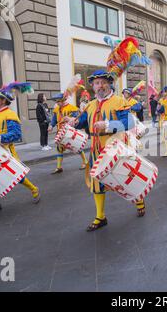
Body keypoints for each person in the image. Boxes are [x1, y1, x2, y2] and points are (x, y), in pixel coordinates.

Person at [66, 70, 143, 230]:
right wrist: (73, 122)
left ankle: (139, 200)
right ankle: (100, 217)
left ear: (109, 84)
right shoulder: (89, 105)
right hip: (96, 149)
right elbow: (82, 122)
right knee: (97, 182)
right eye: (96, 83)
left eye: (103, 82)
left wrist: (107, 125)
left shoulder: (119, 101)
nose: (100, 86)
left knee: (125, 179)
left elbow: (129, 123)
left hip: (116, 147)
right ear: (93, 87)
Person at [48, 93, 87, 174]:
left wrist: (70, 119)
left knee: (76, 147)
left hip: (69, 132)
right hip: (60, 132)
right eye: (56, 101)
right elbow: (54, 119)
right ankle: (59, 167)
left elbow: (76, 120)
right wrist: (51, 126)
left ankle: (85, 162)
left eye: (58, 101)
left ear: (63, 100)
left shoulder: (72, 108)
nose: (57, 103)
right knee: (59, 149)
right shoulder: (57, 109)